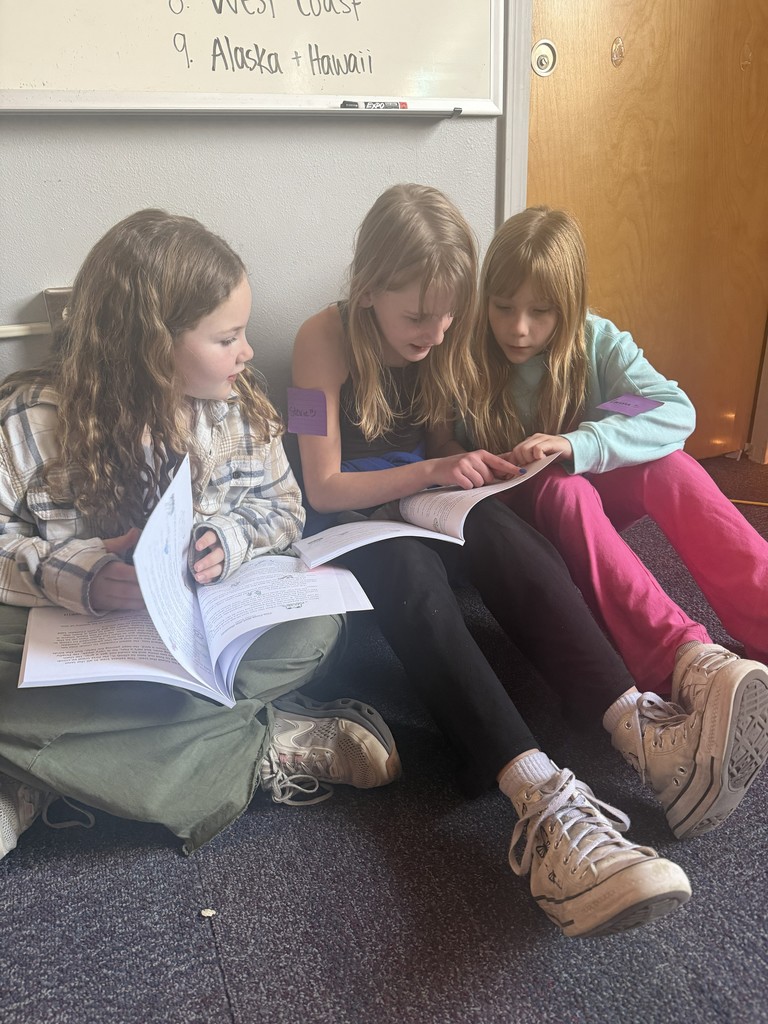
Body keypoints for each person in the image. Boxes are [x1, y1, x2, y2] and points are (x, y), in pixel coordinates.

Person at [292, 182, 700, 939]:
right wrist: (429, 473)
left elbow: (442, 442)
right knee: (413, 577)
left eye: (449, 314)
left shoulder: (444, 334)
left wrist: (465, 466)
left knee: (510, 539)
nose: (437, 330)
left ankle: (635, 726)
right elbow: (322, 482)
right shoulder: (321, 339)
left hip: (421, 495)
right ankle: (539, 800)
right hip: (347, 519)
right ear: (368, 286)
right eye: (418, 316)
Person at [0, 209, 402, 864]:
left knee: (318, 627)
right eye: (228, 337)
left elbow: (284, 507)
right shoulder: (31, 417)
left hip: (193, 635)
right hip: (67, 636)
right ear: (153, 348)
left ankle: (38, 774)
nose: (247, 352)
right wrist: (80, 575)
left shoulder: (241, 412)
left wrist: (228, 538)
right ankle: (255, 746)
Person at [469, 204, 768, 841]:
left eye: (540, 312)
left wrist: (581, 440)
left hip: (579, 484)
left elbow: (670, 410)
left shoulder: (596, 345)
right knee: (566, 493)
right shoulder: (468, 354)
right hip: (513, 523)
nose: (518, 329)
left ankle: (759, 625)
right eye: (502, 307)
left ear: (570, 308)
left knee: (674, 469)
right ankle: (681, 659)